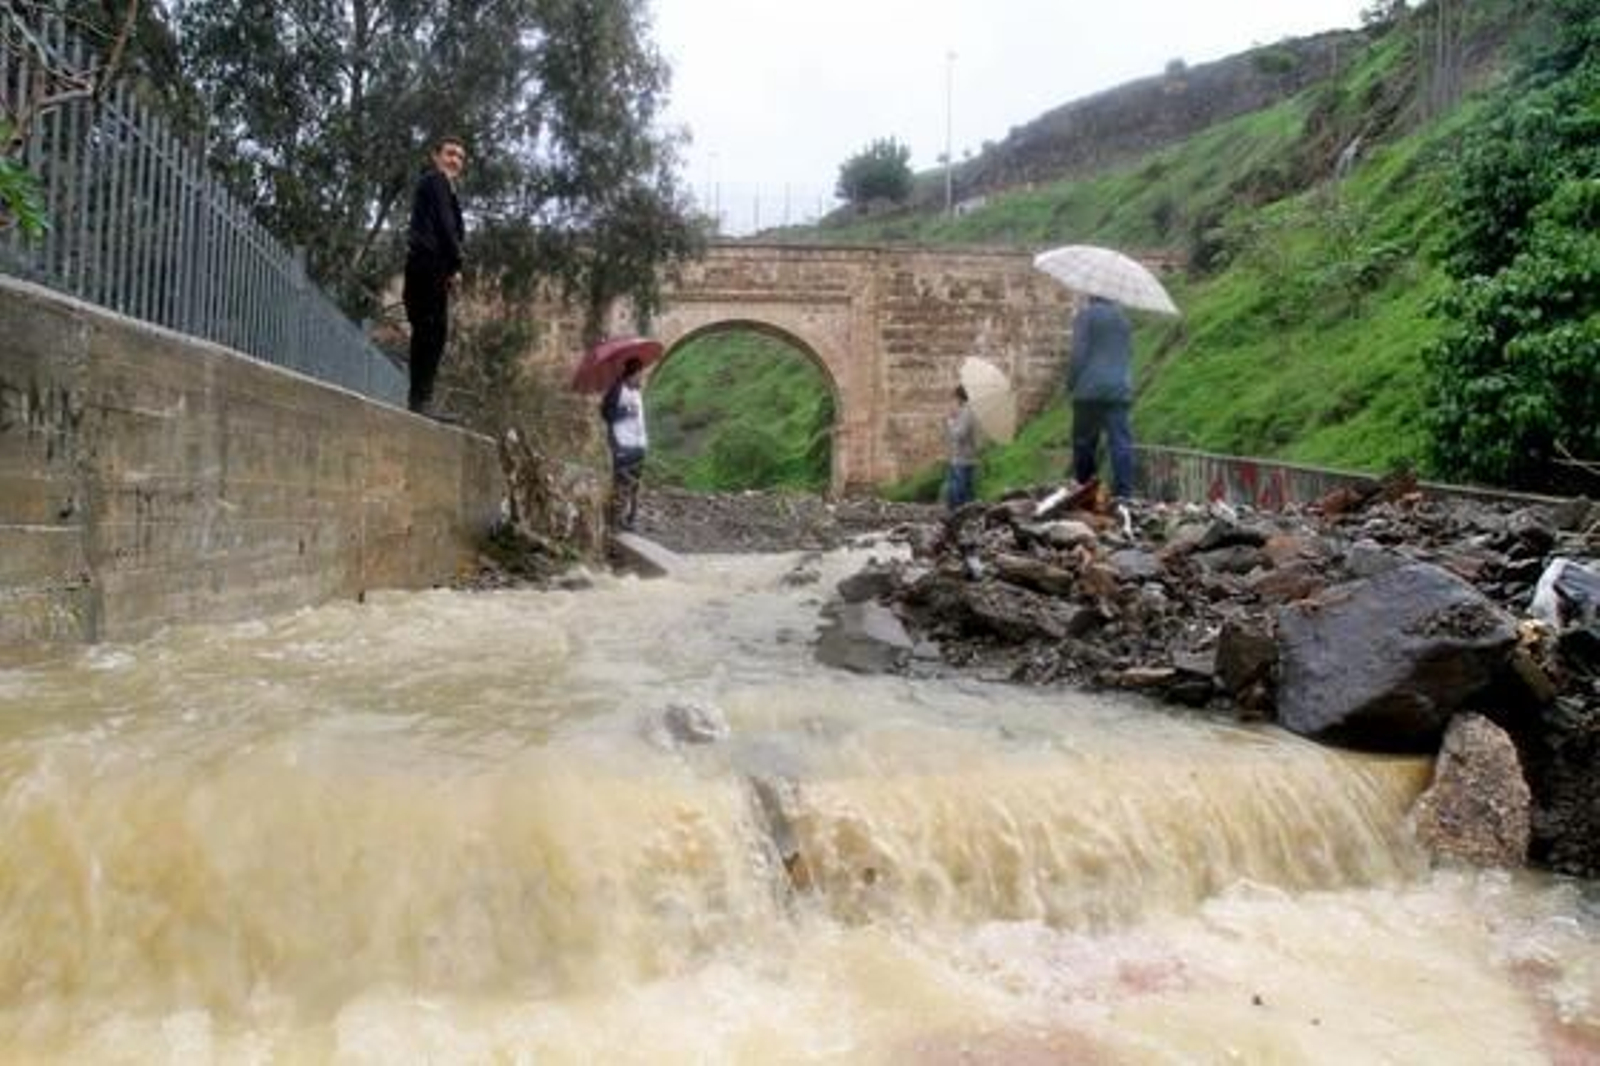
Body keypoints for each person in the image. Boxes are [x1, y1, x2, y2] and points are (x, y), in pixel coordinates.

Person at [403, 136, 467, 418]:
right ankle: (420, 402)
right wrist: (457, 264)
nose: (455, 160)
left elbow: (449, 226)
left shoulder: (447, 191)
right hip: (426, 266)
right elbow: (445, 227)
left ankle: (420, 401)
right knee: (430, 333)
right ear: (436, 156)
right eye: (450, 153)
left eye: (460, 157)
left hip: (433, 270)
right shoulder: (435, 181)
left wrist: (450, 270)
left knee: (433, 334)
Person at [1068, 294, 1135, 499]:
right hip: (1118, 391)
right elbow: (1129, 352)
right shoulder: (1124, 320)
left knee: (1084, 442)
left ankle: (1087, 488)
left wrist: (1071, 382)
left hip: (1089, 391)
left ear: (1091, 295)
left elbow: (1079, 353)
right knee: (1121, 442)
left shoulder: (1086, 316)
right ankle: (1124, 493)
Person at [601, 358, 648, 530]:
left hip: (639, 445)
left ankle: (629, 520)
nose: (642, 377)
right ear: (633, 373)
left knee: (635, 486)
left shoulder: (636, 391)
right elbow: (606, 413)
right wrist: (627, 410)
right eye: (640, 374)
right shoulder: (616, 389)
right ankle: (614, 522)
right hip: (622, 444)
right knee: (622, 484)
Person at [945, 384, 978, 511]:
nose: (953, 401)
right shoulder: (964, 412)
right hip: (960, 458)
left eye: (954, 397)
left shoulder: (967, 413)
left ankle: (961, 517)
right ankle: (968, 516)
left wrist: (950, 422)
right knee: (962, 492)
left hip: (963, 459)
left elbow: (960, 435)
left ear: (959, 397)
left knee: (958, 494)